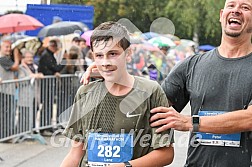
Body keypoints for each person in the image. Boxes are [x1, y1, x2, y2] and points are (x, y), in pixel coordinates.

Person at [149, 0, 252, 166]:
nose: (236, 11)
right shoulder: (192, 65)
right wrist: (112, 76)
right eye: (231, 5)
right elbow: (152, 107)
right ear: (221, 15)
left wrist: (191, 122)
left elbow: (249, 119)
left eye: (245, 7)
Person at [61, 21, 174, 167]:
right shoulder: (85, 92)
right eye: (99, 55)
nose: (105, 62)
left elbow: (166, 154)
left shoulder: (150, 91)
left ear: (128, 54)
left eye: (112, 54)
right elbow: (75, 154)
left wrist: (124, 166)